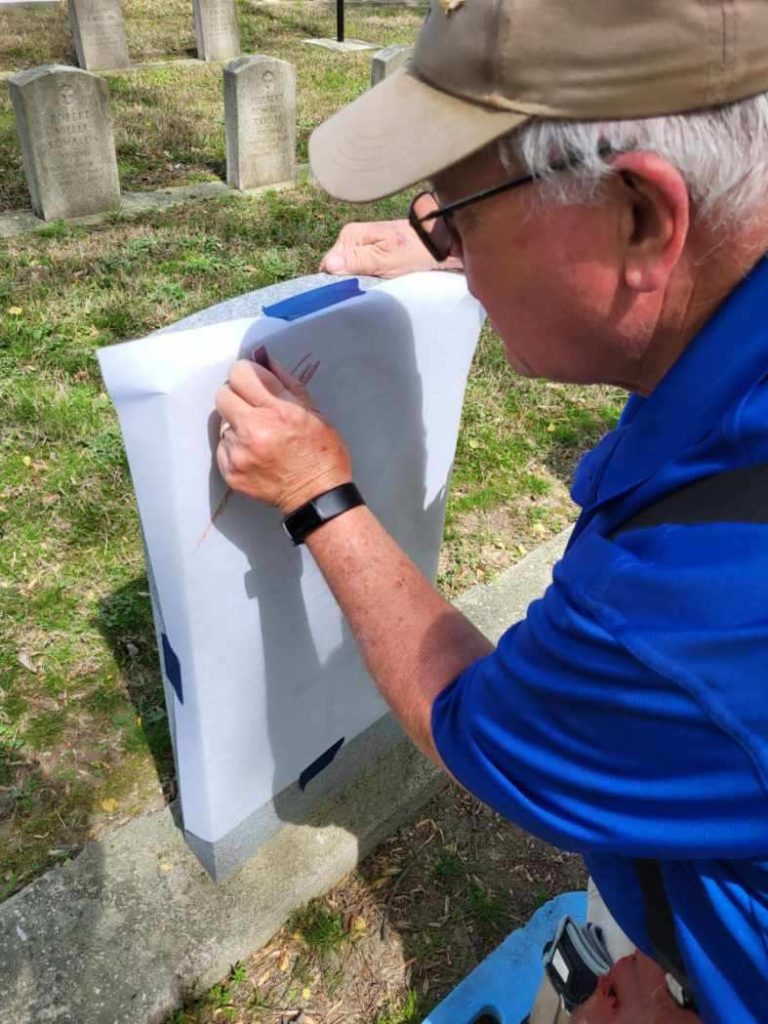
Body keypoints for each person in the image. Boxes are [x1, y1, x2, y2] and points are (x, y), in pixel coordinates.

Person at [215, 1, 768, 1019]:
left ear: (642, 217)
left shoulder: (685, 609)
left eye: (460, 215)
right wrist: (487, 247)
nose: (451, 252)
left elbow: (476, 717)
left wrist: (317, 492)